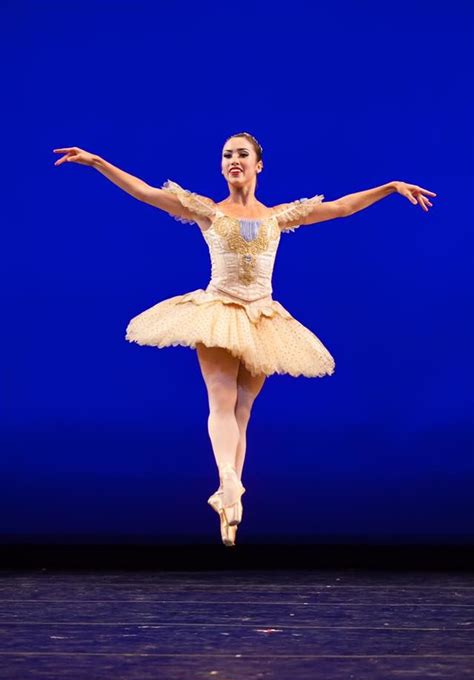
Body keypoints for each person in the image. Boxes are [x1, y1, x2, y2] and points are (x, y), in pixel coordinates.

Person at [52, 133, 436, 547]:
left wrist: (390, 187)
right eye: (227, 155)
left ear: (258, 165)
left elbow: (340, 208)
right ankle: (230, 480)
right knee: (221, 399)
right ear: (221, 167)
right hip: (219, 310)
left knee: (243, 411)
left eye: (242, 155)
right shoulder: (208, 211)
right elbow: (145, 193)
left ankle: (229, 500)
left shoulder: (278, 217)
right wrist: (97, 162)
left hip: (263, 317)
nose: (233, 160)